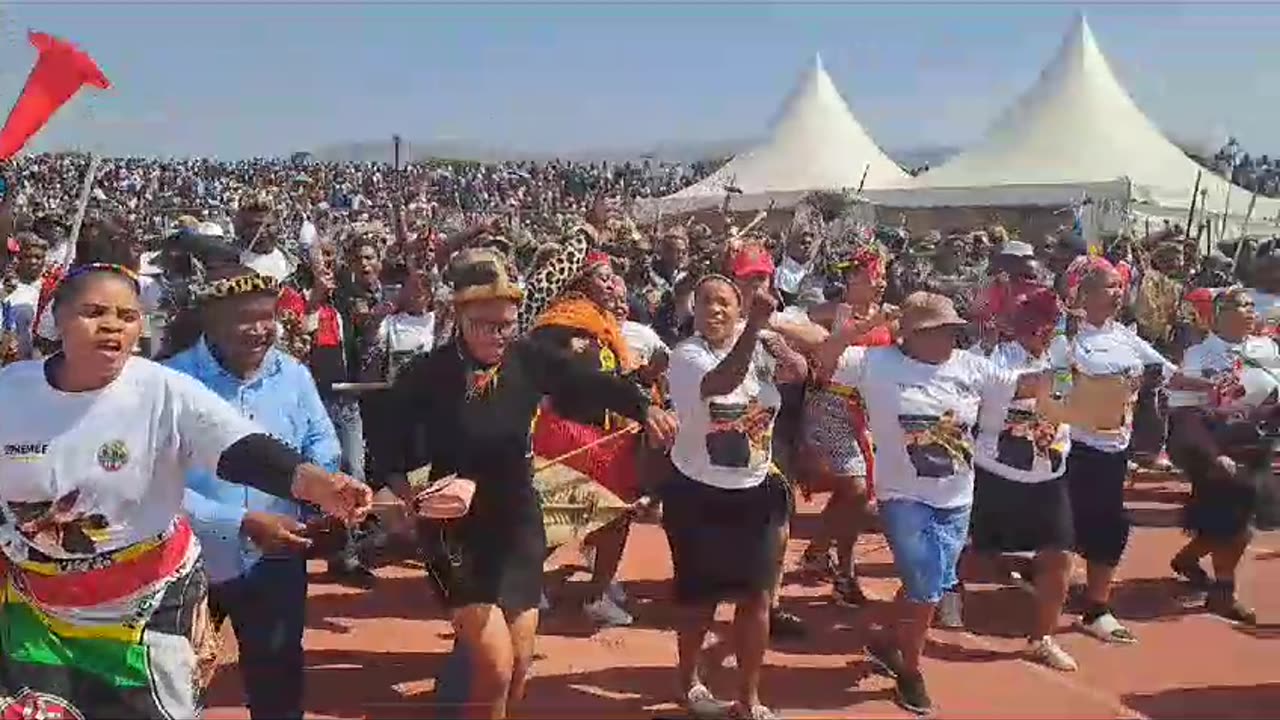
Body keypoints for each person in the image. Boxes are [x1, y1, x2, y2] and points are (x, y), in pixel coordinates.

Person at [0, 263, 370, 719]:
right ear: (57, 319)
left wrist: (322, 485)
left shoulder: (162, 389)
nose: (113, 324)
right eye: (94, 312)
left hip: (145, 608)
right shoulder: (10, 392)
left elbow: (243, 448)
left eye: (127, 315)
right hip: (36, 610)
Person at [382, 248, 677, 720]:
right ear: (458, 316)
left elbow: (587, 382)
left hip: (518, 522)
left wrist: (643, 406)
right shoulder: (426, 375)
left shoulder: (527, 359)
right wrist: (404, 494)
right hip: (454, 533)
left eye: (507, 324)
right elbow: (386, 444)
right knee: (494, 666)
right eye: (485, 325)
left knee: (519, 666)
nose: (499, 335)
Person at [822, 291, 1047, 715]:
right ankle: (910, 671)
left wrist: (1075, 375)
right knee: (926, 585)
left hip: (956, 499)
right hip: (902, 496)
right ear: (910, 334)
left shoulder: (970, 367)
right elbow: (826, 358)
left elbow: (1022, 385)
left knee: (923, 585)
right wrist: (863, 327)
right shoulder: (876, 363)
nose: (949, 338)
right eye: (938, 331)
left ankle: (888, 642)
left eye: (953, 330)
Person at [167, 265, 342, 719]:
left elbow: (322, 440)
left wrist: (323, 486)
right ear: (210, 320)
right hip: (191, 561)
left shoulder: (295, 376)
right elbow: (156, 487)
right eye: (245, 318)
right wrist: (237, 523)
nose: (261, 330)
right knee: (174, 683)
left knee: (278, 684)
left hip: (277, 555)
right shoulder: (170, 382)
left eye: (268, 316)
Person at [663, 274, 807, 720]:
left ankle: (749, 698)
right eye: (705, 302)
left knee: (757, 598)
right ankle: (688, 682)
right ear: (694, 312)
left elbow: (799, 374)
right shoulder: (687, 356)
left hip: (756, 492)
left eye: (725, 301)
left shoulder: (759, 344)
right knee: (699, 600)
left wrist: (786, 350)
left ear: (739, 307)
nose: (715, 310)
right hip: (697, 494)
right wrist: (754, 329)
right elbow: (723, 382)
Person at [1059, 259, 1213, 645]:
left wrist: (1214, 386)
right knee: (1066, 527)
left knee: (1109, 528)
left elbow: (1170, 374)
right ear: (1084, 294)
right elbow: (1052, 390)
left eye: (1119, 286)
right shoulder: (1066, 340)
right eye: (1109, 286)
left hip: (1114, 450)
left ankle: (1096, 608)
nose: (1118, 292)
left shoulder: (1127, 337)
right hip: (1073, 447)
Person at [970, 288, 1079, 671]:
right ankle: (944, 595)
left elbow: (1069, 398)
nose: (1046, 334)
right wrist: (1065, 375)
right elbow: (1020, 385)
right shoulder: (993, 357)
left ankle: (1042, 638)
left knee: (1059, 555)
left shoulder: (1061, 356)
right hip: (996, 471)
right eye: (1040, 326)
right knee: (977, 552)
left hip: (1049, 473)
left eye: (1054, 326)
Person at [1168, 287, 1276, 625]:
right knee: (1234, 525)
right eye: (1239, 305)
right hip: (1212, 445)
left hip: (1254, 443)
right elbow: (1184, 411)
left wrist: (1268, 415)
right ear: (1217, 314)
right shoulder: (1199, 355)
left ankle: (1187, 559)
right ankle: (1224, 593)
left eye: (1250, 305)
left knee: (1236, 520)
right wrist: (1212, 454)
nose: (1248, 311)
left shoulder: (1267, 349)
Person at [799, 246, 896, 606]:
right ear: (853, 278)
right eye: (874, 275)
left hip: (868, 410)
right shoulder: (829, 313)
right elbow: (803, 336)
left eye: (883, 275)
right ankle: (844, 570)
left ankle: (822, 553)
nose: (880, 281)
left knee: (857, 492)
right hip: (829, 405)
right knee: (855, 487)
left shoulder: (889, 319)